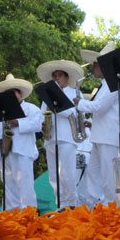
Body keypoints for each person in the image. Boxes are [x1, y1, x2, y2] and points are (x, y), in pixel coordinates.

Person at [74, 42, 120, 207]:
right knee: (93, 172)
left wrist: (80, 103)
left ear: (103, 66)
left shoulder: (113, 83)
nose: (92, 68)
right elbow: (102, 110)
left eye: (94, 64)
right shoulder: (105, 85)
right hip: (100, 135)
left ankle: (112, 206)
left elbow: (100, 107)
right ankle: (96, 204)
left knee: (108, 175)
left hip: (109, 136)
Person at [36, 59, 84, 208]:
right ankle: (61, 204)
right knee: (53, 176)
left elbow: (76, 113)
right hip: (51, 138)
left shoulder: (74, 92)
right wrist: (42, 123)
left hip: (67, 137)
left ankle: (71, 204)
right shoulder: (48, 95)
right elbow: (42, 114)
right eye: (54, 75)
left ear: (66, 77)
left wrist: (57, 104)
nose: (56, 78)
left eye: (59, 75)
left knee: (67, 173)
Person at [0, 74, 42, 210]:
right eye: (7, 93)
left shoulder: (31, 108)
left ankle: (29, 217)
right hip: (5, 152)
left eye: (13, 92)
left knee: (25, 187)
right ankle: (11, 218)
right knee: (9, 188)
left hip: (23, 151)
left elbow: (38, 124)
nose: (11, 96)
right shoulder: (0, 111)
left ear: (20, 94)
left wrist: (17, 122)